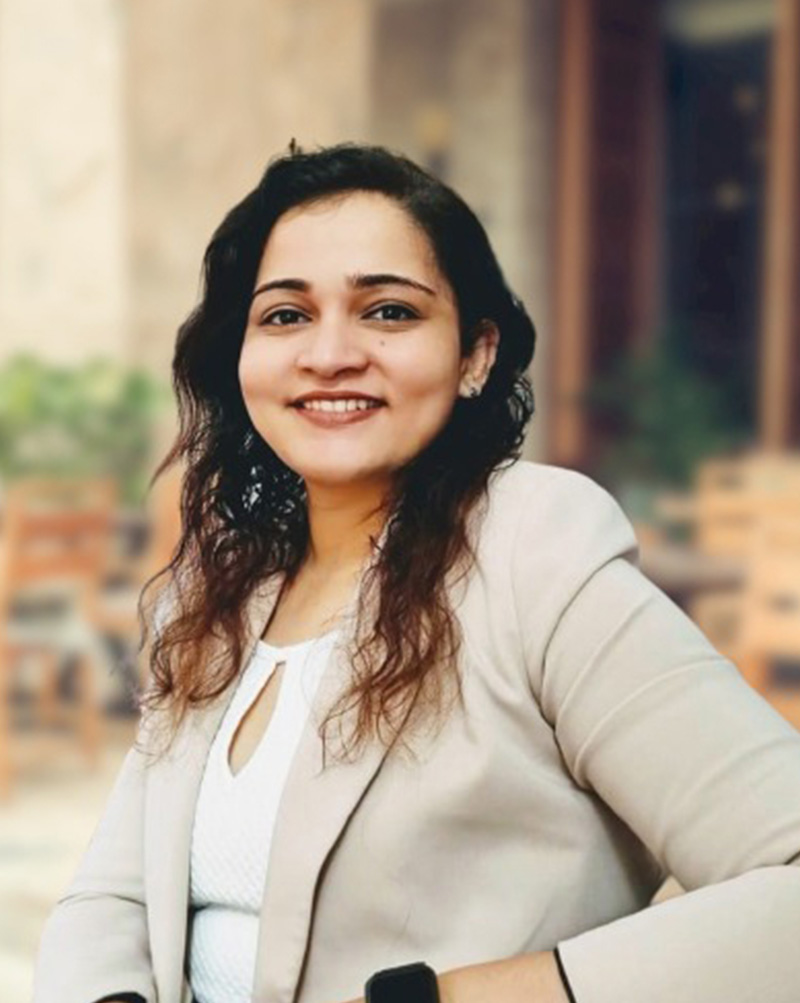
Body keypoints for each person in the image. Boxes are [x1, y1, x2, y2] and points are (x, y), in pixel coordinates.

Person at [33, 142, 800, 1003]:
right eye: (285, 315)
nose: (329, 353)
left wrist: (461, 997)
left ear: (475, 354)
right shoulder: (215, 591)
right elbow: (113, 896)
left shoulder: (535, 552)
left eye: (389, 311)